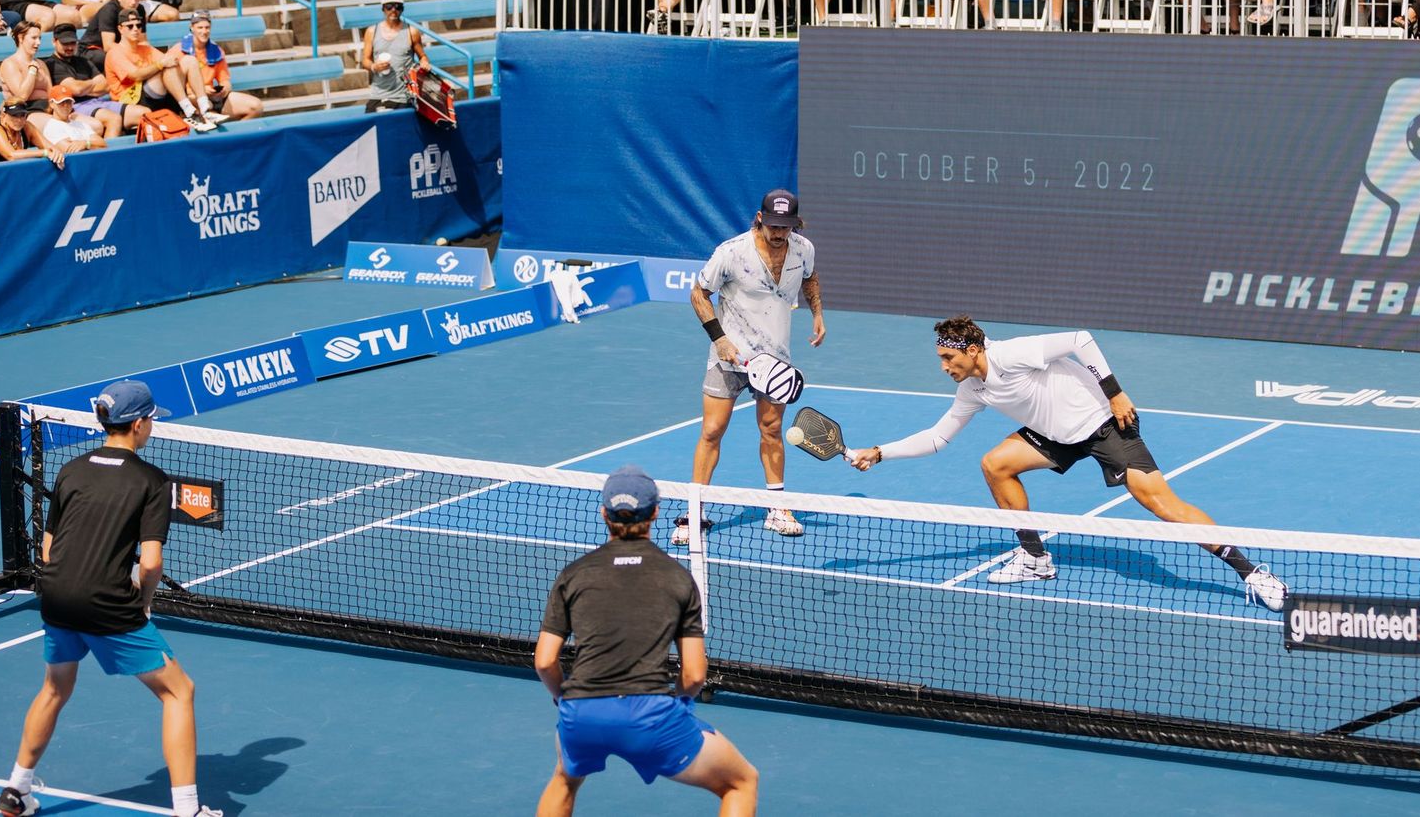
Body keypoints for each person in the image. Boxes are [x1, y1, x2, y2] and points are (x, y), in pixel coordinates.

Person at [847, 316, 1289, 610]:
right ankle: (1035, 557)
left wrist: (1115, 392)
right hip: (1054, 436)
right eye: (941, 358)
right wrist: (881, 451)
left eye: (949, 357)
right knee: (995, 463)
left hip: (1102, 424)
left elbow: (1080, 339)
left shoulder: (1012, 354)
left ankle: (1252, 572)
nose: (944, 366)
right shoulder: (972, 390)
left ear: (974, 348)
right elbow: (938, 438)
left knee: (1161, 504)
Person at [0, 381, 220, 817]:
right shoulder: (153, 481)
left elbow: (47, 549)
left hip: (56, 595)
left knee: (55, 688)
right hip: (107, 604)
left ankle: (15, 791)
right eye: (150, 420)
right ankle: (188, 810)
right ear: (138, 424)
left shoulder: (71, 469)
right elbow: (150, 564)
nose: (151, 426)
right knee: (179, 693)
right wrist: (144, 601)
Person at [534, 466, 759, 817]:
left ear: (604, 513)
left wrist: (565, 699)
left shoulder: (573, 575)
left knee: (564, 780)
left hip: (583, 713)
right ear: (655, 513)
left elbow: (545, 662)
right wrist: (680, 704)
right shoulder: (678, 579)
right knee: (740, 782)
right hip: (650, 717)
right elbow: (695, 675)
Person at [679, 188, 824, 546]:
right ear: (759, 218)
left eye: (785, 227)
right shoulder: (730, 253)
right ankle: (694, 512)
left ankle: (776, 508)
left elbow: (810, 278)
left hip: (774, 361)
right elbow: (698, 294)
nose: (778, 233)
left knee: (772, 429)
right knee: (712, 431)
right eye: (773, 225)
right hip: (728, 358)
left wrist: (818, 314)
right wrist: (720, 339)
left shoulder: (803, 249)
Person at [105, 7, 216, 132]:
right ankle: (187, 109)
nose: (135, 29)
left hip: (153, 95)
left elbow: (169, 60)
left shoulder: (145, 49)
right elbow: (136, 75)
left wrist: (173, 62)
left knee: (189, 60)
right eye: (130, 26)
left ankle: (204, 107)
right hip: (131, 101)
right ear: (120, 29)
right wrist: (160, 64)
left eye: (138, 25)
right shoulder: (115, 52)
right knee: (165, 67)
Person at [170, 11, 260, 123]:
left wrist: (223, 89)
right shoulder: (178, 49)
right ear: (192, 28)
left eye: (207, 27)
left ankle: (236, 137)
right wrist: (202, 90)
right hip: (191, 98)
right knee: (208, 107)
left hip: (213, 97)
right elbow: (171, 81)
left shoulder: (216, 50)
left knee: (256, 106)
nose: (204, 31)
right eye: (200, 27)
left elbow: (225, 80)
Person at [46, 23, 123, 138]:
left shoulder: (83, 61)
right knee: (114, 119)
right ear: (54, 42)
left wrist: (83, 88)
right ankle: (107, 155)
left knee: (141, 113)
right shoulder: (52, 63)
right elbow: (76, 90)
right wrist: (93, 82)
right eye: (65, 43)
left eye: (73, 43)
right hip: (73, 106)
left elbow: (106, 86)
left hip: (96, 102)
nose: (70, 47)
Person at [359, 0, 428, 113]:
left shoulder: (411, 32)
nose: (393, 10)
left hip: (404, 97)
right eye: (389, 6)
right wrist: (374, 66)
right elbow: (365, 60)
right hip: (378, 94)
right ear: (383, 8)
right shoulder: (371, 31)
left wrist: (424, 63)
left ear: (402, 9)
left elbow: (422, 56)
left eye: (398, 7)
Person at [0, 97, 66, 167]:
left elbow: (50, 147)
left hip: (8, 175)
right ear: (3, 116)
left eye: (22, 115)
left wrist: (57, 154)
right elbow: (11, 156)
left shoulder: (27, 127)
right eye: (14, 115)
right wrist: (45, 152)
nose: (19, 120)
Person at [0, 20, 52, 129]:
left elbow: (51, 92)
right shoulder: (10, 63)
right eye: (34, 38)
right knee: (58, 125)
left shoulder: (41, 63)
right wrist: (32, 70)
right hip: (25, 111)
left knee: (92, 125)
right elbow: (22, 96)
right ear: (21, 38)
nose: (38, 43)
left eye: (39, 38)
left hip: (48, 108)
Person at [41, 84, 105, 151]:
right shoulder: (52, 128)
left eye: (68, 102)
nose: (65, 105)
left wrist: (85, 143)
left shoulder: (81, 124)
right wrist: (90, 143)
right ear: (52, 104)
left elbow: (102, 143)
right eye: (61, 102)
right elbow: (69, 149)